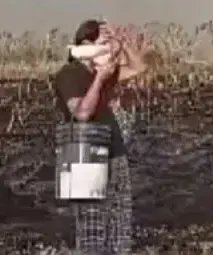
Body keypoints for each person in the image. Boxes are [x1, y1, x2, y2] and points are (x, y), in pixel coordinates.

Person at [53, 19, 149, 255]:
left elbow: (139, 67)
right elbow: (82, 113)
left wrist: (124, 43)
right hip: (83, 154)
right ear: (88, 45)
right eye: (104, 42)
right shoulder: (69, 74)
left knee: (119, 222)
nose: (109, 48)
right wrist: (99, 80)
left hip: (114, 153)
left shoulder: (102, 74)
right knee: (91, 227)